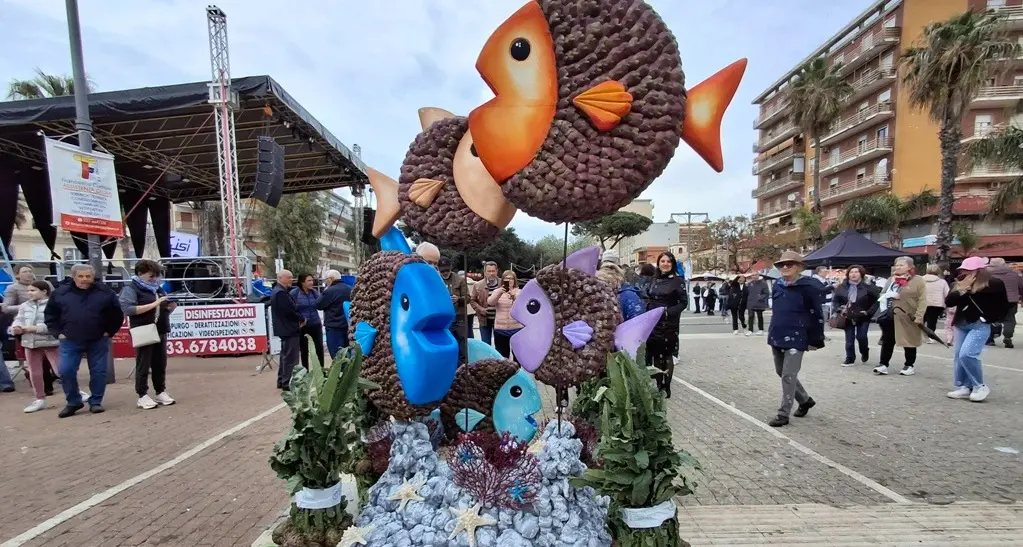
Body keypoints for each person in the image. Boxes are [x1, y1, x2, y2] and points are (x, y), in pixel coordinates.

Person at [44, 264, 124, 418]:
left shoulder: (105, 292)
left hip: (98, 339)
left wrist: (110, 331)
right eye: (81, 276)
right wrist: (57, 333)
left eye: (88, 276)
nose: (84, 279)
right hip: (70, 339)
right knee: (65, 370)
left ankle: (95, 401)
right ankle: (73, 402)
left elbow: (116, 313)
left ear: (92, 277)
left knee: (99, 372)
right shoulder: (60, 293)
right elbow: (50, 315)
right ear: (74, 277)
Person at [766, 251, 822, 427]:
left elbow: (816, 314)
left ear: (799, 267)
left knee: (789, 375)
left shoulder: (808, 287)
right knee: (780, 371)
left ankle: (783, 414)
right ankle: (805, 400)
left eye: (789, 264)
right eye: (782, 265)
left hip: (797, 335)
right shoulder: (777, 285)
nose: (785, 267)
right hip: (777, 333)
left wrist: (815, 339)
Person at [945, 256, 1009, 402]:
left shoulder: (994, 284)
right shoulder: (960, 283)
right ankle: (964, 386)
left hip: (979, 324)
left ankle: (979, 385)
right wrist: (962, 289)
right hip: (961, 323)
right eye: (963, 270)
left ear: (979, 271)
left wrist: (988, 319)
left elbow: (1004, 305)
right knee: (958, 356)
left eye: (969, 270)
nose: (965, 273)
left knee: (967, 354)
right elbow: (949, 302)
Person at [119, 260, 176, 410]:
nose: (154, 279)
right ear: (140, 274)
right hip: (143, 329)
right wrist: (155, 304)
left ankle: (160, 391)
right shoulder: (130, 289)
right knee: (143, 363)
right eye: (151, 276)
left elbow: (161, 308)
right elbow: (128, 309)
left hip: (160, 328)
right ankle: (142, 394)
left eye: (156, 276)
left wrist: (169, 308)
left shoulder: (157, 289)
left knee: (160, 363)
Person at [3, 265, 56, 394]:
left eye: (30, 271)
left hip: (46, 326)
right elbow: (6, 308)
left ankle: (49, 380)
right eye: (25, 271)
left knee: (52, 359)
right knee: (37, 360)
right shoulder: (13, 288)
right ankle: (43, 388)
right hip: (25, 327)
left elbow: (55, 300)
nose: (28, 273)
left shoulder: (45, 284)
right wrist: (26, 306)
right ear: (17, 275)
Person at [874, 256, 926, 377]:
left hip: (908, 315)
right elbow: (882, 292)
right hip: (890, 314)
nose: (898, 267)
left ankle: (909, 365)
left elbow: (922, 300)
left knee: (909, 340)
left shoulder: (918, 280)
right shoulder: (891, 279)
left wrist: (919, 316)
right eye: (896, 265)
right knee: (887, 340)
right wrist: (888, 295)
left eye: (901, 265)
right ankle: (883, 364)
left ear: (910, 267)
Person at [12, 281, 59, 412]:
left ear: (44, 291)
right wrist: (16, 327)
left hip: (51, 342)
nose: (29, 293)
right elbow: (19, 319)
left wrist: (35, 328)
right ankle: (39, 399)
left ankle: (76, 392)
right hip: (30, 343)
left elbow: (54, 324)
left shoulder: (53, 305)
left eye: (33, 290)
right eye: (28, 291)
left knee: (61, 370)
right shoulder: (24, 306)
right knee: (35, 373)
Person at [645, 252, 686, 397]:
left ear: (672, 264)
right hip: (653, 322)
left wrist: (669, 312)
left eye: (668, 261)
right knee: (655, 354)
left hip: (669, 323)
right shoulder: (654, 280)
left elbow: (683, 302)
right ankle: (658, 384)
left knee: (667, 355)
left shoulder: (678, 281)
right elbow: (648, 296)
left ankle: (666, 386)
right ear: (659, 263)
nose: (665, 264)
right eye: (662, 261)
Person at [831, 265, 880, 366]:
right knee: (849, 339)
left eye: (856, 272)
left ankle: (864, 350)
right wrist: (838, 309)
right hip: (847, 316)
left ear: (861, 274)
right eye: (851, 272)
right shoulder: (842, 287)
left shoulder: (868, 287)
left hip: (862, 316)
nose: (853, 274)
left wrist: (868, 312)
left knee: (861, 336)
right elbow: (835, 300)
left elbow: (876, 301)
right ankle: (850, 358)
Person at [271, 270, 304, 390]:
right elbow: (289, 311)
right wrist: (301, 318)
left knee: (285, 355)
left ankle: (282, 380)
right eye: (289, 278)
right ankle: (288, 382)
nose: (292, 280)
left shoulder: (279, 291)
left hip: (285, 328)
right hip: (288, 328)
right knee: (291, 357)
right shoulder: (280, 293)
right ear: (281, 278)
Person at [985, 257, 1023, 348]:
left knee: (992, 318)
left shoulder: (986, 274)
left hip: (992, 300)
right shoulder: (1014, 273)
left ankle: (991, 338)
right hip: (1011, 300)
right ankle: (1008, 336)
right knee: (1010, 319)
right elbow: (1021, 286)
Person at [291, 273, 325, 369]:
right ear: (302, 282)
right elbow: (291, 309)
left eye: (312, 280)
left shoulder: (314, 292)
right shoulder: (294, 293)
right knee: (304, 350)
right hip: (303, 326)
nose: (311, 282)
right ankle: (305, 371)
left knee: (319, 348)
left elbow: (320, 305)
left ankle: (321, 370)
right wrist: (299, 319)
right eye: (309, 281)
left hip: (316, 324)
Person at [487, 270, 523, 360]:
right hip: (500, 329)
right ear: (503, 280)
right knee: (502, 357)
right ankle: (505, 373)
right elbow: (490, 302)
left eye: (511, 278)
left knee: (517, 356)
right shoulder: (497, 291)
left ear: (515, 280)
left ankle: (517, 373)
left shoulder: (520, 291)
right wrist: (499, 293)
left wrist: (514, 296)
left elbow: (523, 305)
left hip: (516, 328)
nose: (509, 280)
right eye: (506, 278)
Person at [438, 257, 468, 364]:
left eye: (447, 270)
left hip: (459, 316)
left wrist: (459, 299)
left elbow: (468, 298)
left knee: (462, 343)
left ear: (451, 268)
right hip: (443, 317)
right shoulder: (436, 280)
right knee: (446, 342)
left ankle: (463, 367)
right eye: (442, 271)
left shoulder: (460, 280)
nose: (445, 273)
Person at [316, 269, 352, 360]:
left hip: (334, 325)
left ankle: (340, 372)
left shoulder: (329, 291)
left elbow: (319, 305)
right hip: (347, 324)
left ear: (331, 279)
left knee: (336, 354)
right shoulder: (350, 289)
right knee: (347, 351)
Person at [471, 261, 501, 346]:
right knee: (486, 345)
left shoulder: (502, 284)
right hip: (484, 320)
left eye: (493, 271)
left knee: (500, 345)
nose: (491, 273)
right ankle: (488, 359)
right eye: (489, 271)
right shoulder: (478, 285)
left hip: (499, 320)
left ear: (497, 271)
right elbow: (472, 300)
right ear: (485, 272)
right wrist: (481, 309)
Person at [922, 264, 951, 343]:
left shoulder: (920, 280)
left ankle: (919, 334)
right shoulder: (942, 282)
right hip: (937, 304)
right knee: (932, 320)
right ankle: (930, 337)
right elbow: (947, 293)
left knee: (921, 319)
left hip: (922, 303)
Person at [465, 273, 477, 339]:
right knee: (470, 326)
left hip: (464, 309)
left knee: (465, 327)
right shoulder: (474, 283)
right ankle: (471, 339)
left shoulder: (462, 282)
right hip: (471, 309)